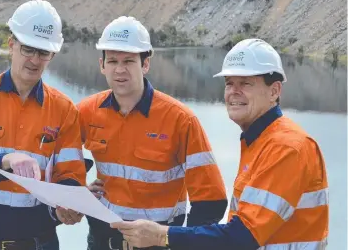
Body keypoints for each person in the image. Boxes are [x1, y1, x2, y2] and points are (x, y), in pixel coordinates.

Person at [111, 38, 329, 250]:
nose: (234, 92)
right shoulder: (260, 141)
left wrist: (162, 236)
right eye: (229, 83)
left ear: (274, 91)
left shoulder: (287, 147)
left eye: (246, 83)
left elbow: (243, 237)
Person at [0, 0, 87, 250]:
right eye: (27, 49)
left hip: (39, 244)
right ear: (12, 45)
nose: (34, 59)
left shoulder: (64, 110)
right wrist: (6, 160)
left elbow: (71, 177)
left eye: (43, 52)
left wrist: (68, 206)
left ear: (52, 55)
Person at [77, 16, 228, 250]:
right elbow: (58, 158)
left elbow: (212, 201)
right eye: (113, 61)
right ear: (102, 65)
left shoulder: (180, 120)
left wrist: (177, 240)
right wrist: (77, 192)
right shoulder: (87, 112)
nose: (119, 69)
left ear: (145, 64)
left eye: (129, 61)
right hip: (101, 240)